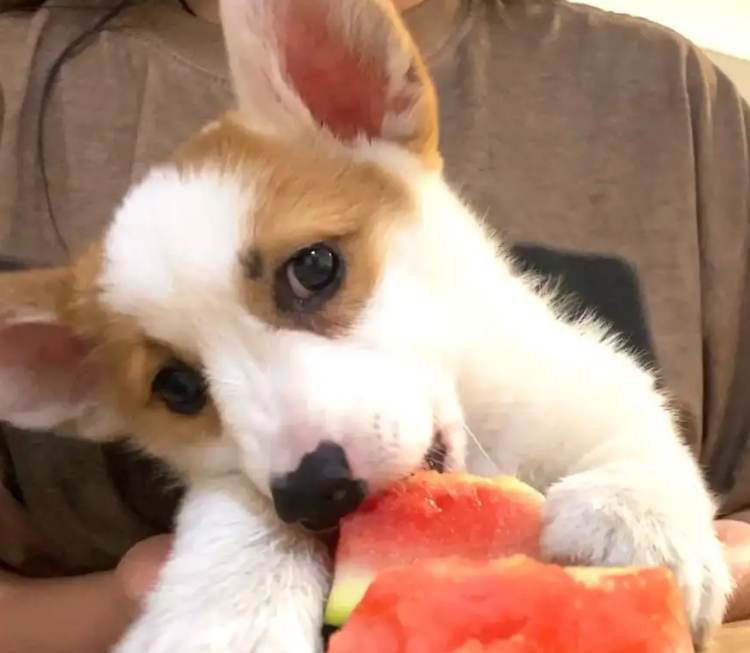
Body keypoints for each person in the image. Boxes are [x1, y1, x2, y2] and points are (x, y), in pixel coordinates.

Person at [0, 0, 749, 651]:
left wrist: (648, 495)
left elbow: (633, 446)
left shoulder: (674, 97)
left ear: (362, 103)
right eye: (181, 385)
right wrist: (195, 578)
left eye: (314, 273)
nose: (298, 468)